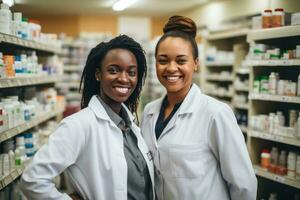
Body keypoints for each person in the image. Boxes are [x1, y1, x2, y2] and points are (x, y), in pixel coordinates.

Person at [20, 35, 154, 200]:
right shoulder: (78, 125)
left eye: (131, 72)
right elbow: (32, 180)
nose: (124, 78)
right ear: (98, 74)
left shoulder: (132, 127)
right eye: (113, 70)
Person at [141, 15, 257, 200]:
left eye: (181, 61)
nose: (171, 68)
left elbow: (243, 184)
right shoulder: (149, 112)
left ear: (195, 64)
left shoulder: (216, 114)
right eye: (163, 60)